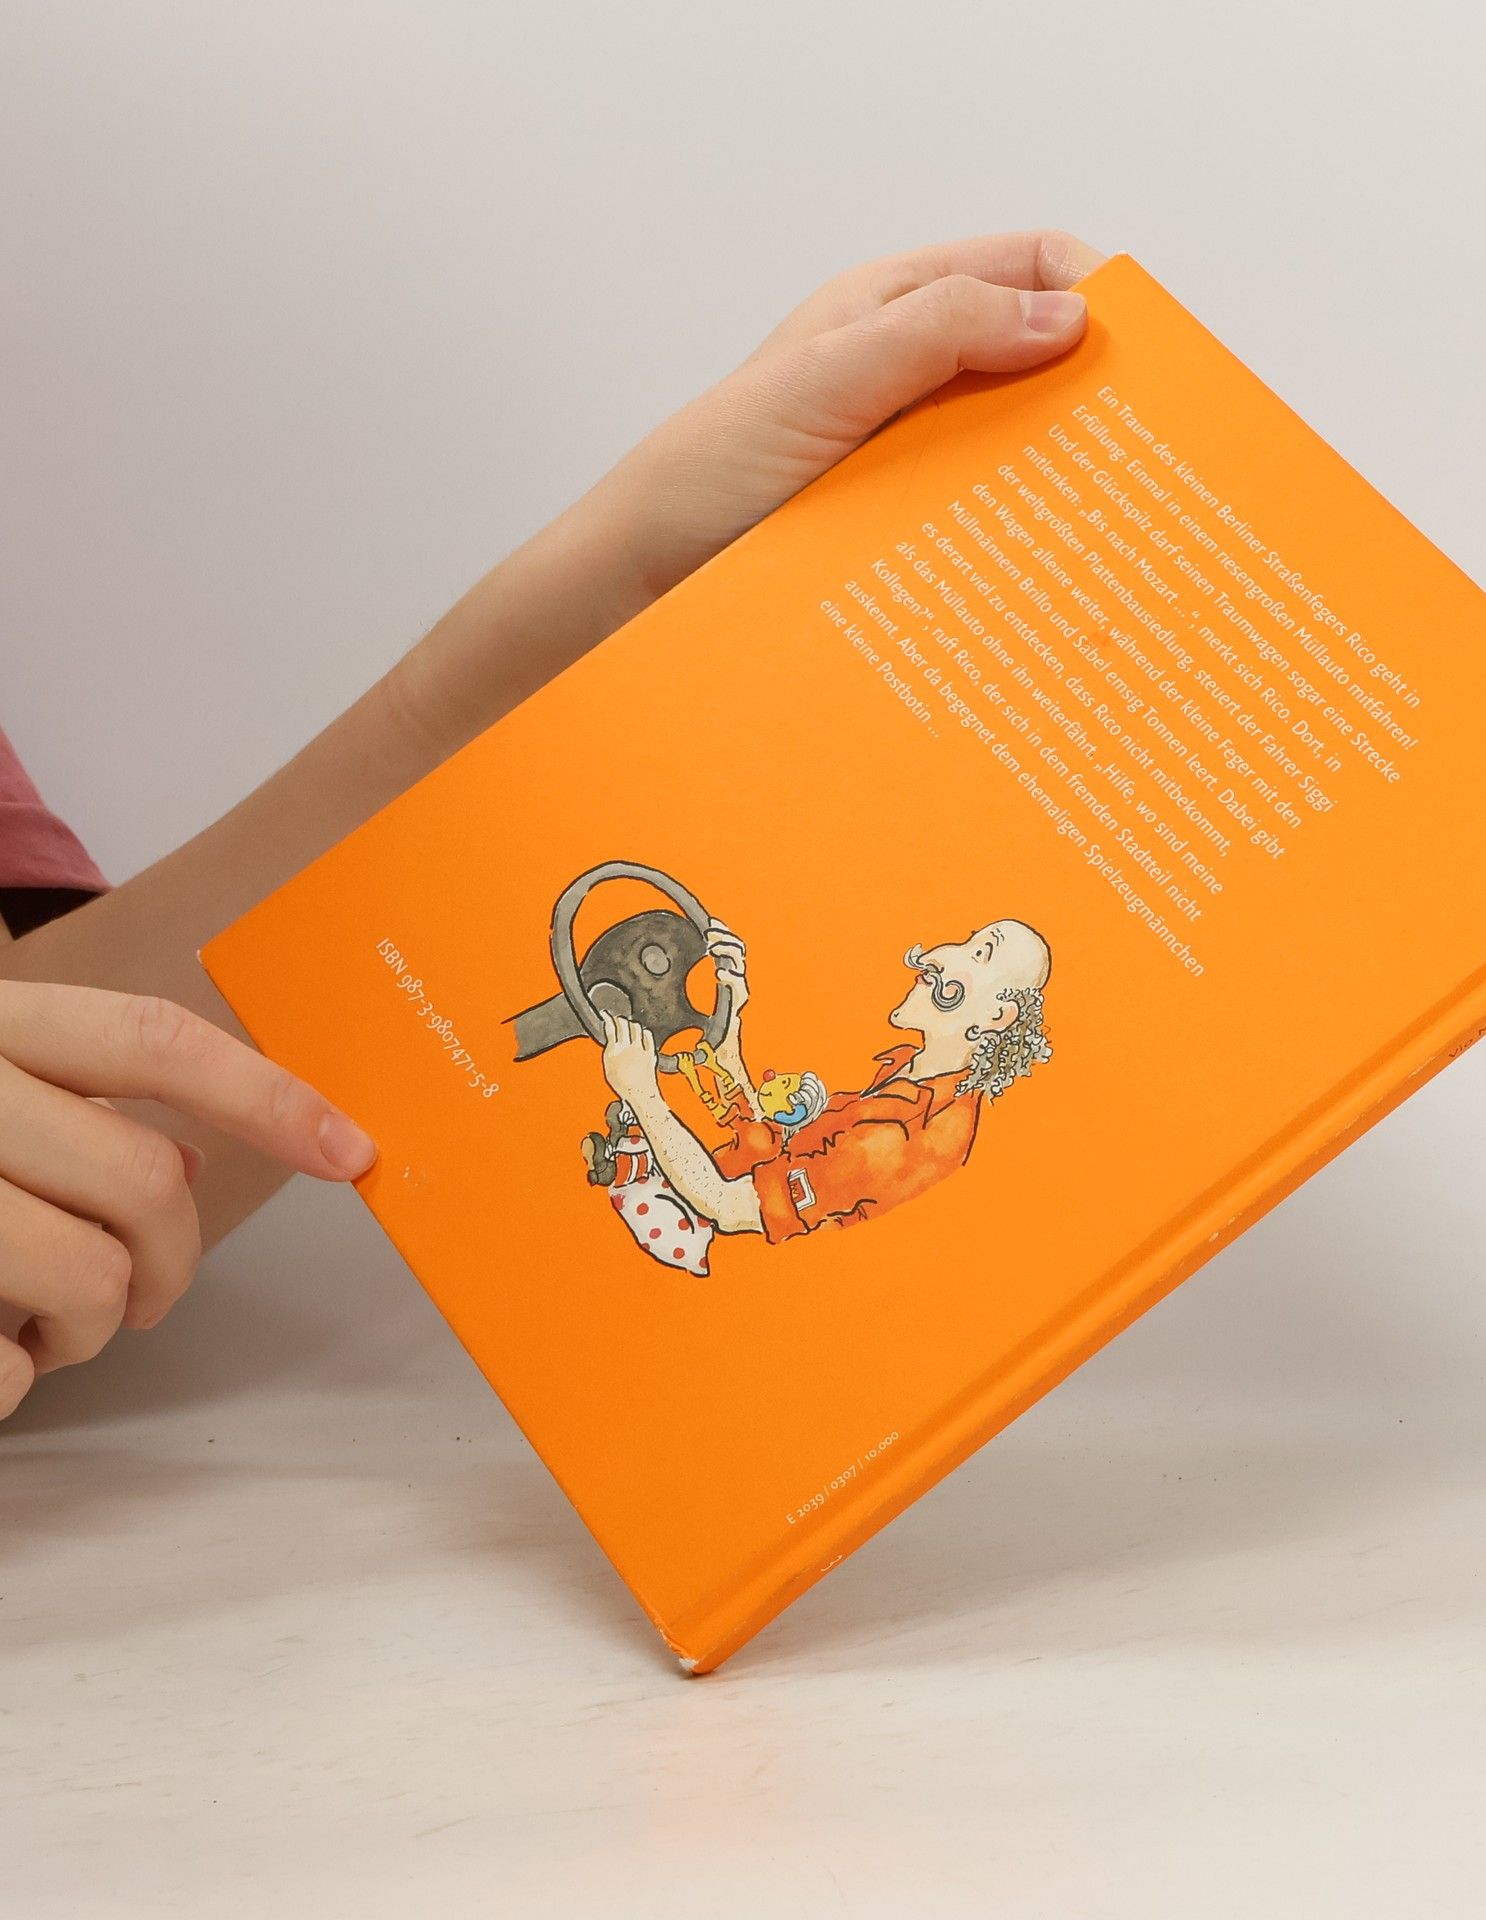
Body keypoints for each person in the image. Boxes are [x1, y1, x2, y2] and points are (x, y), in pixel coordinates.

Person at [0, 230, 1102, 1419]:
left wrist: (620, 588)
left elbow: (80, 1142)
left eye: (970, 962)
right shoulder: (905, 1095)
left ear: (998, 1022)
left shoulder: (915, 1125)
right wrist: (696, 1057)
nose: (935, 955)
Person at [596, 919, 1053, 1253]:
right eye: (967, 942)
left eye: (979, 954)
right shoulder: (910, 1073)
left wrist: (642, 1093)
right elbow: (780, 1143)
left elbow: (728, 1207)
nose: (937, 955)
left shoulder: (903, 1139)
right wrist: (730, 1025)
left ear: (998, 1015)